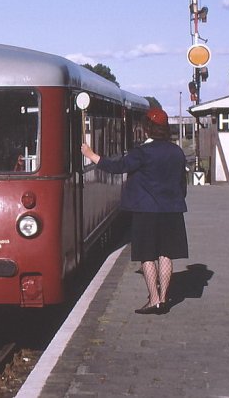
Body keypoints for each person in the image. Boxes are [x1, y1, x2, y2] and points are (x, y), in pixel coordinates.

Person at [81, 107, 188, 315]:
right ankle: (164, 299)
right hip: (172, 212)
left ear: (147, 128)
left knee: (147, 255)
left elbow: (117, 167)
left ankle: (154, 299)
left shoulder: (142, 153)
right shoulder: (177, 152)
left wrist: (91, 155)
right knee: (166, 255)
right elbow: (181, 185)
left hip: (146, 212)